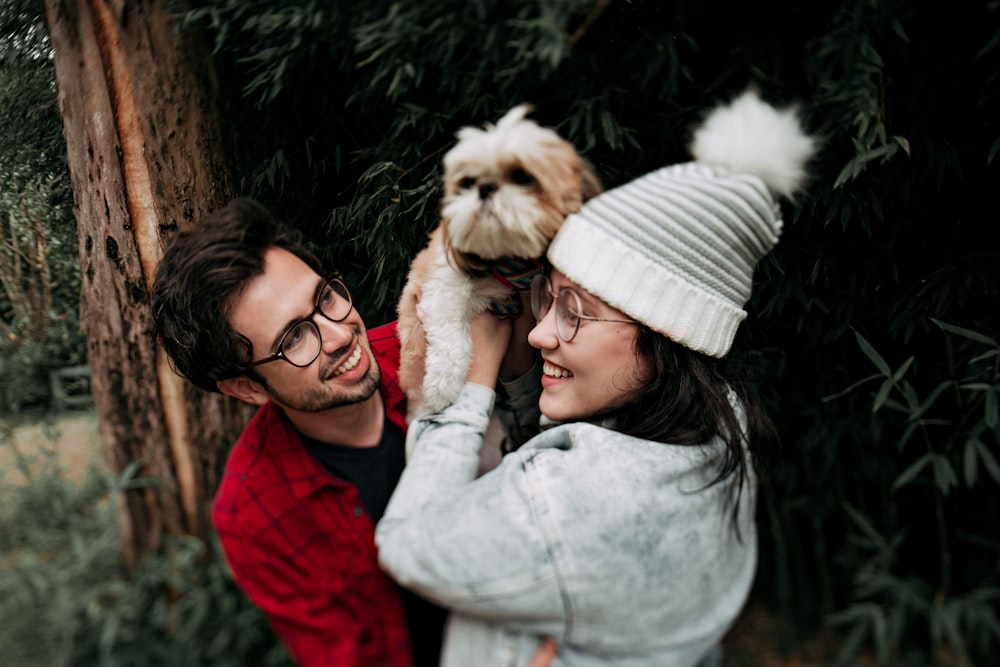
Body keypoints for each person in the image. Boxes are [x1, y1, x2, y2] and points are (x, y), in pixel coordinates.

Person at [376, 89, 817, 666]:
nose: (538, 334)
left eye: (575, 310)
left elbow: (408, 544)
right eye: (547, 297)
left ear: (665, 340)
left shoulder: (562, 503)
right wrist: (518, 384)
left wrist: (471, 387)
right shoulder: (717, 420)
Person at [150, 198, 448, 667]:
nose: (339, 335)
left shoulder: (435, 347)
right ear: (247, 388)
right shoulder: (255, 512)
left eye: (325, 297)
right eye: (293, 339)